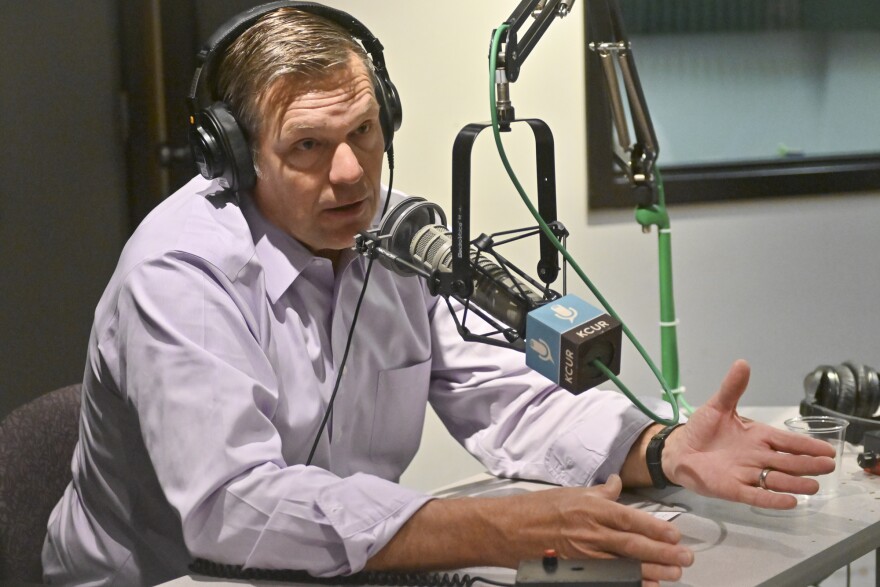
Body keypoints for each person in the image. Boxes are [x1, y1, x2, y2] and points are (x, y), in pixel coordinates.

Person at [42, 4, 835, 587]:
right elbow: (234, 505)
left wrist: (660, 447)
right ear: (236, 158)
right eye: (308, 146)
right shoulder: (179, 272)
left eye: (363, 132)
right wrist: (490, 526)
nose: (351, 173)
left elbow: (506, 397)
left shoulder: (394, 233)